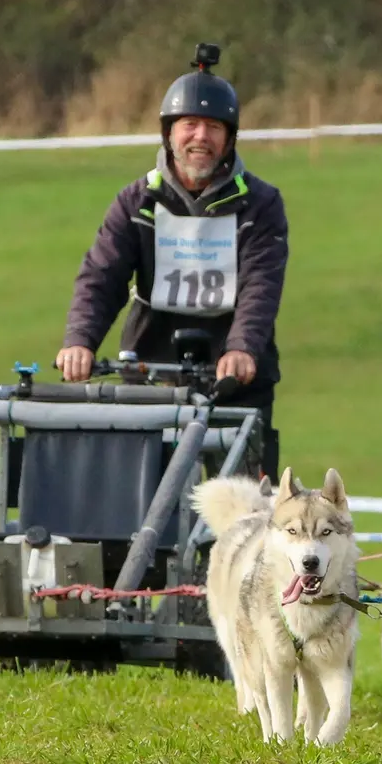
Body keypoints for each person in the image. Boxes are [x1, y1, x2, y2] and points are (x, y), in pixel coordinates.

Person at [55, 42, 289, 479]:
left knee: (245, 516)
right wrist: (80, 340)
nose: (201, 137)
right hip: (150, 371)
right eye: (190, 125)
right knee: (140, 512)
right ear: (169, 133)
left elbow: (261, 285)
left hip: (235, 378)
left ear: (229, 137)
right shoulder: (135, 201)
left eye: (213, 127)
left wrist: (242, 349)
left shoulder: (260, 204)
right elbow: (101, 277)